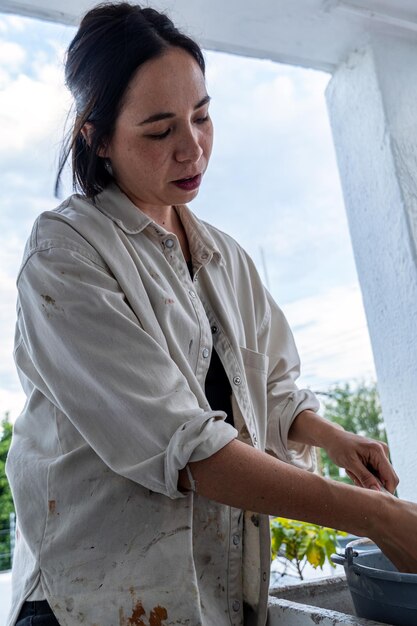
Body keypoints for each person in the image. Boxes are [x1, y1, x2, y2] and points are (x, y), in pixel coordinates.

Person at [5, 3, 417, 626]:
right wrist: (378, 515)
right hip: (93, 603)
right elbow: (187, 447)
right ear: (97, 137)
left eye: (202, 116)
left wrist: (334, 438)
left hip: (208, 598)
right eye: (158, 130)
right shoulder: (67, 254)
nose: (191, 148)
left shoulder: (226, 258)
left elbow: (272, 389)